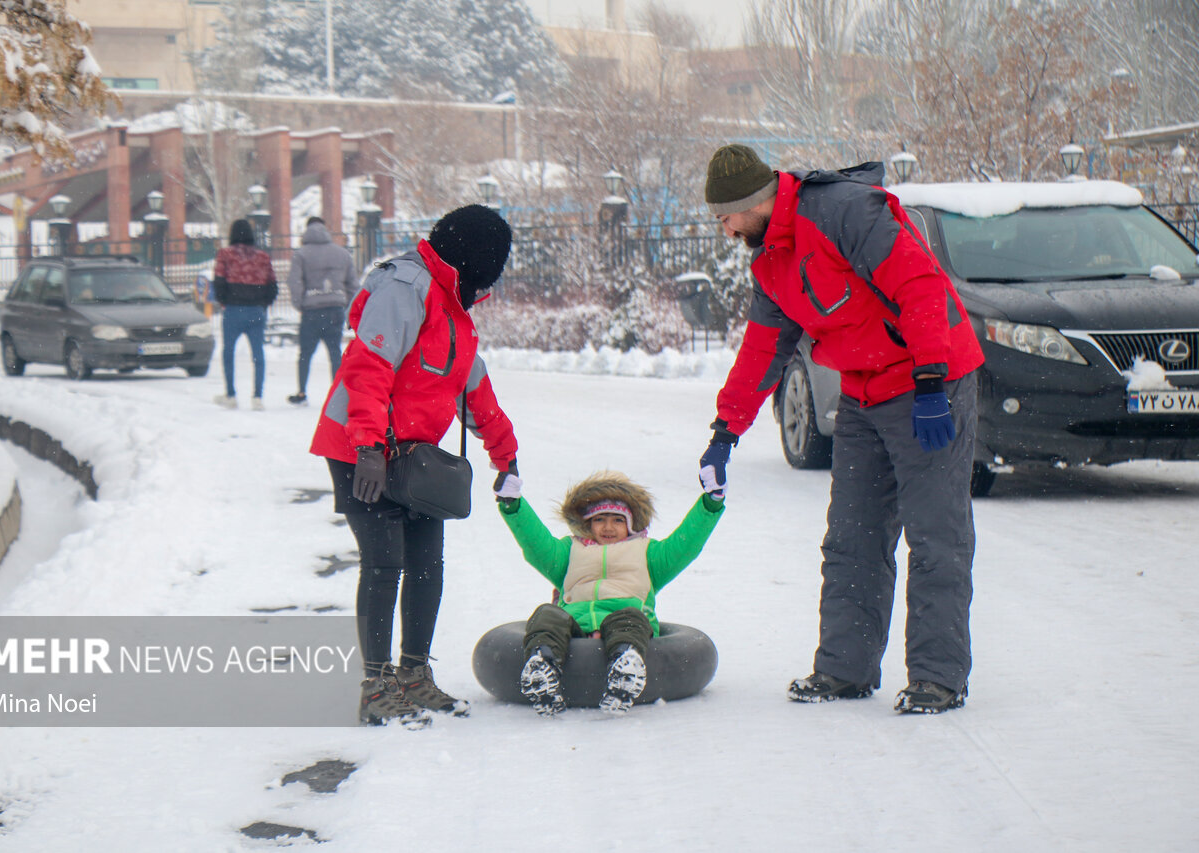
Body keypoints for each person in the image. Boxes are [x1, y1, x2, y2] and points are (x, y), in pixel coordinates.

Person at [697, 144, 984, 714]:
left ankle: (937, 677)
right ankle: (845, 670)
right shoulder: (770, 260)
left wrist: (930, 380)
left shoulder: (842, 212)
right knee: (851, 536)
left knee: (935, 535)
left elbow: (920, 284)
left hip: (930, 383)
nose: (725, 229)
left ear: (752, 203)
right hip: (862, 388)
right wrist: (725, 431)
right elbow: (762, 350)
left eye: (725, 216)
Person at [310, 204, 521, 727]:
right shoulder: (405, 288)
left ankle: (412, 675)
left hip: (414, 460)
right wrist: (366, 447)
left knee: (427, 564)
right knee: (384, 564)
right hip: (360, 450)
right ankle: (375, 686)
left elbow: (476, 394)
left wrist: (506, 456)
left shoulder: (456, 311)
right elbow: (369, 367)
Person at [497, 471, 724, 716]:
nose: (608, 527)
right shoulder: (569, 552)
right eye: (599, 519)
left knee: (631, 616)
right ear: (587, 523)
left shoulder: (649, 554)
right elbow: (535, 543)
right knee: (547, 614)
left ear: (630, 523)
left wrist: (710, 503)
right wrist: (513, 504)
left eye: (617, 520)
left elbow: (686, 544)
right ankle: (542, 666)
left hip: (624, 624)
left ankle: (625, 668)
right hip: (574, 626)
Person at [286, 216, 356, 406]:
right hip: (335, 309)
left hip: (311, 311)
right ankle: (338, 395)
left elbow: (294, 281)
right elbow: (352, 284)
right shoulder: (342, 254)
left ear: (307, 230)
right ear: (325, 230)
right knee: (334, 351)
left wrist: (300, 302)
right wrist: (350, 306)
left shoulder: (301, 254)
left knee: (305, 353)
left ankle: (301, 393)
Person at [212, 218, 277, 410]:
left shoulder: (225, 255)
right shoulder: (263, 257)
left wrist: (225, 300)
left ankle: (231, 394)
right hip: (256, 310)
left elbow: (219, 282)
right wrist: (263, 304)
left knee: (228, 351)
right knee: (258, 353)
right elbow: (272, 285)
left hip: (233, 309)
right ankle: (257, 396)